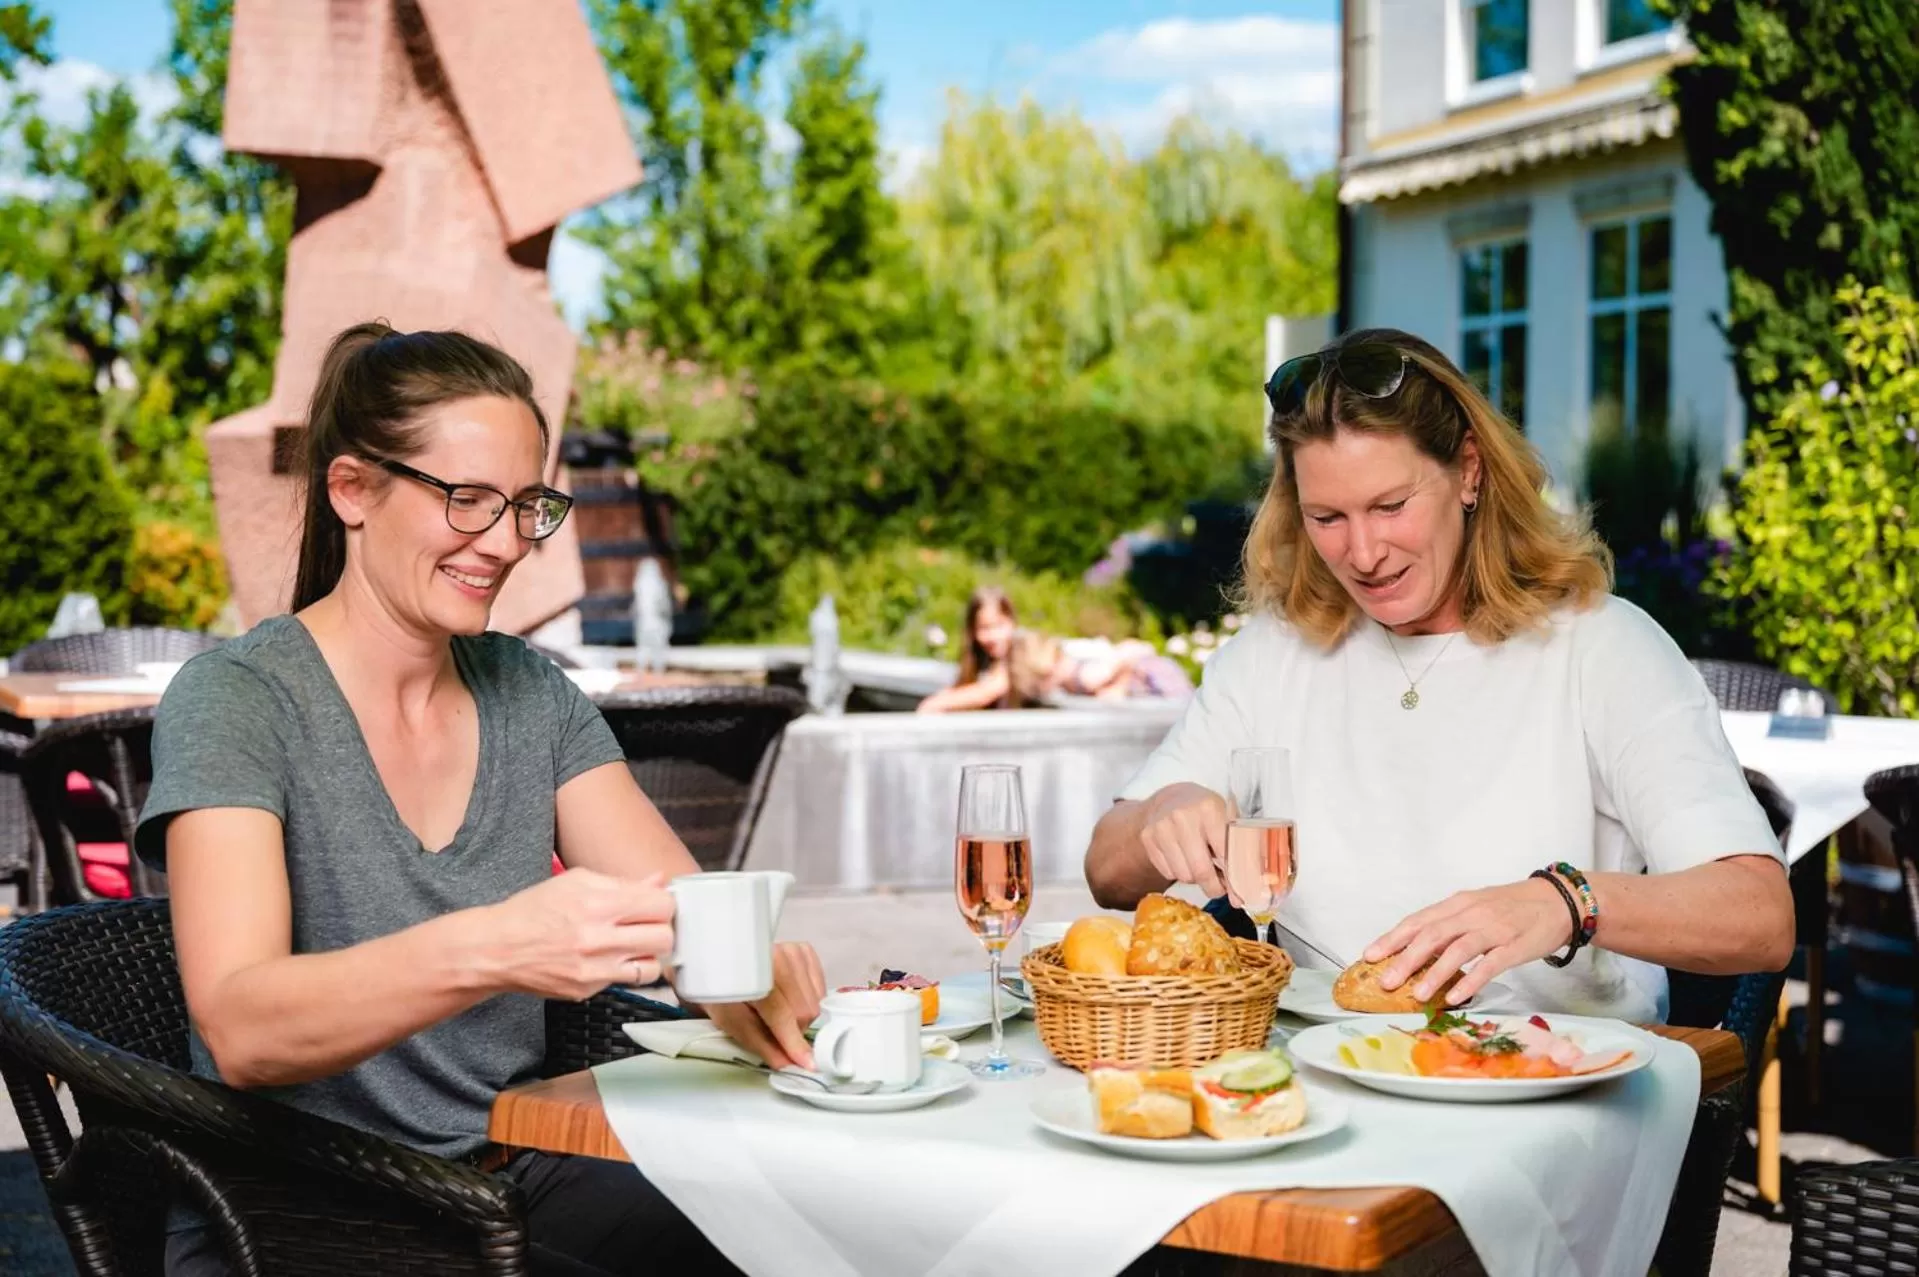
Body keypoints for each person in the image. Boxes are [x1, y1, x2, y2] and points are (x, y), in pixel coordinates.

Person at [135, 323, 824, 1276]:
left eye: (525, 506)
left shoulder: (528, 692)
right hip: (288, 1217)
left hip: (503, 1183)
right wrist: (499, 943)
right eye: (466, 500)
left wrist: (746, 967)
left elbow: (678, 910)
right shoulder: (238, 700)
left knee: (806, 1233)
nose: (504, 543)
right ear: (351, 490)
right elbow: (243, 1026)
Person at [1084, 328, 1793, 1022]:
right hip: (1325, 1079)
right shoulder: (1273, 654)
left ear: (1468, 471)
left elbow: (1759, 916)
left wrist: (1562, 901)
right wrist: (1159, 810)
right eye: (1326, 516)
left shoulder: (1601, 646)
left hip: (1549, 1085)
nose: (1362, 552)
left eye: (1390, 506)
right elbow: (1106, 871)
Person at [1008, 631, 1194, 703]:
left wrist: (1119, 686)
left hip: (1155, 676)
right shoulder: (1069, 682)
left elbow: (1131, 655)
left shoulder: (1085, 675)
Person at [916, 586, 1021, 712]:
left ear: (1012, 622)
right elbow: (966, 687)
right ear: (972, 631)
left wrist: (935, 703)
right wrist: (943, 696)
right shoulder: (984, 660)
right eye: (984, 628)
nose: (993, 636)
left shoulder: (1022, 653)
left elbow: (988, 691)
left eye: (999, 625)